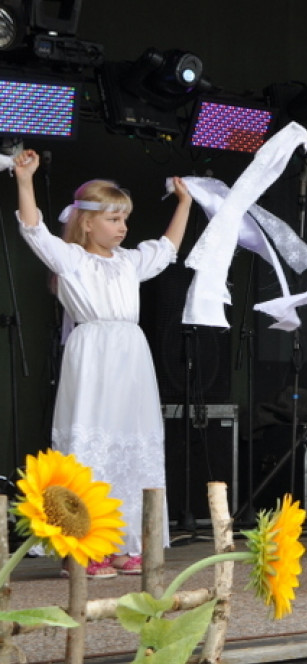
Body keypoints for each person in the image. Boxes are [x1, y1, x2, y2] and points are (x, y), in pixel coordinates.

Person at [13, 148, 193, 577]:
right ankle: (82, 546)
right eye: (113, 219)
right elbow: (34, 229)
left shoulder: (129, 262)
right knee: (92, 441)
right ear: (87, 221)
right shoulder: (72, 260)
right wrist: (25, 181)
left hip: (131, 354)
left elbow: (167, 249)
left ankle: (124, 541)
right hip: (93, 354)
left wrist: (184, 203)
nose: (122, 227)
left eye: (125, 219)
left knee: (131, 441)